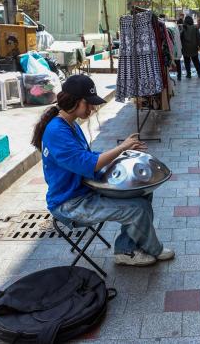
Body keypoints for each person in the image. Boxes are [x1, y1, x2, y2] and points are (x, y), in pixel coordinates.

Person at [31, 75, 174, 266]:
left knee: (143, 193)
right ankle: (140, 251)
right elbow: (87, 164)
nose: (92, 108)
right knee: (137, 209)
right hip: (69, 203)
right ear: (77, 102)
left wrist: (122, 155)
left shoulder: (69, 124)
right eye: (88, 104)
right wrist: (121, 148)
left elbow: (85, 156)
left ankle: (126, 246)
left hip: (84, 190)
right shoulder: (57, 131)